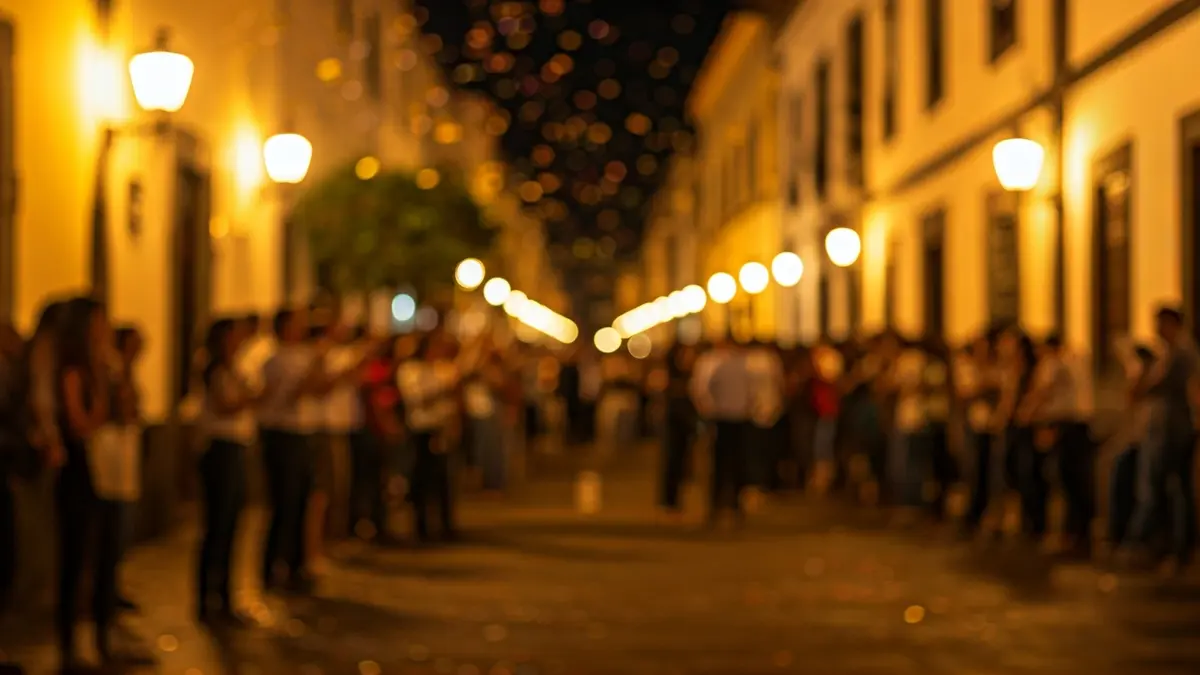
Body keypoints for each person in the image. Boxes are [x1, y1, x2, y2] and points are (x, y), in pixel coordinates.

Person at [56, 297, 148, 669]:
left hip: (112, 472)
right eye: (98, 321)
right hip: (81, 473)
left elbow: (128, 411)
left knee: (110, 554)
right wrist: (105, 406)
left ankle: (103, 637)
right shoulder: (74, 370)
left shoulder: (108, 365)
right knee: (79, 559)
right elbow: (80, 423)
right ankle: (72, 646)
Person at [1125, 306, 1199, 574]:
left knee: (1169, 490)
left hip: (1174, 431)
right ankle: (1168, 547)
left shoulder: (1180, 353)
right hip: (1165, 429)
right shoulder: (1170, 353)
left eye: (1160, 323)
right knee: (1168, 489)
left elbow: (1148, 386)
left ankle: (1173, 549)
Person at [258, 308, 325, 593]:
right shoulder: (274, 360)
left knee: (303, 501)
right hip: (282, 435)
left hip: (304, 434)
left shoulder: (304, 356)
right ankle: (273, 564)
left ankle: (298, 562)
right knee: (283, 502)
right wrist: (314, 368)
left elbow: (319, 390)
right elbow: (295, 392)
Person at [196, 318, 256, 624]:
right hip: (221, 450)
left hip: (236, 447)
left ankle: (224, 594)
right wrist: (251, 397)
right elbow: (225, 405)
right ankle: (208, 596)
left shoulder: (236, 368)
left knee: (232, 524)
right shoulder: (215, 370)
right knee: (218, 524)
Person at [1019, 334, 1092, 556]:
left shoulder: (1052, 363)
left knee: (1061, 479)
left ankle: (1067, 534)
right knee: (1075, 482)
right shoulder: (1074, 361)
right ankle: (1077, 534)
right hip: (1076, 424)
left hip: (1061, 425)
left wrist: (1026, 413)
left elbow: (1044, 391)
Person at [396, 330, 461, 543]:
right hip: (420, 430)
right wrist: (442, 390)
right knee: (421, 479)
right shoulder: (410, 370)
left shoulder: (441, 368)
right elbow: (418, 399)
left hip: (440, 429)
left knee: (444, 479)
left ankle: (445, 524)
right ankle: (420, 525)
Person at [690, 334, 753, 528]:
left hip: (723, 417)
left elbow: (701, 390)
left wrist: (708, 409)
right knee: (734, 462)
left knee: (721, 463)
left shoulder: (716, 364)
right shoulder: (740, 365)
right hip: (734, 417)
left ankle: (720, 504)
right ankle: (731, 504)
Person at [660, 344, 696, 516]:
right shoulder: (671, 378)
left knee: (685, 462)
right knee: (672, 460)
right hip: (674, 423)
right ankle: (669, 500)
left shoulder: (692, 376)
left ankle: (678, 499)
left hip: (687, 423)